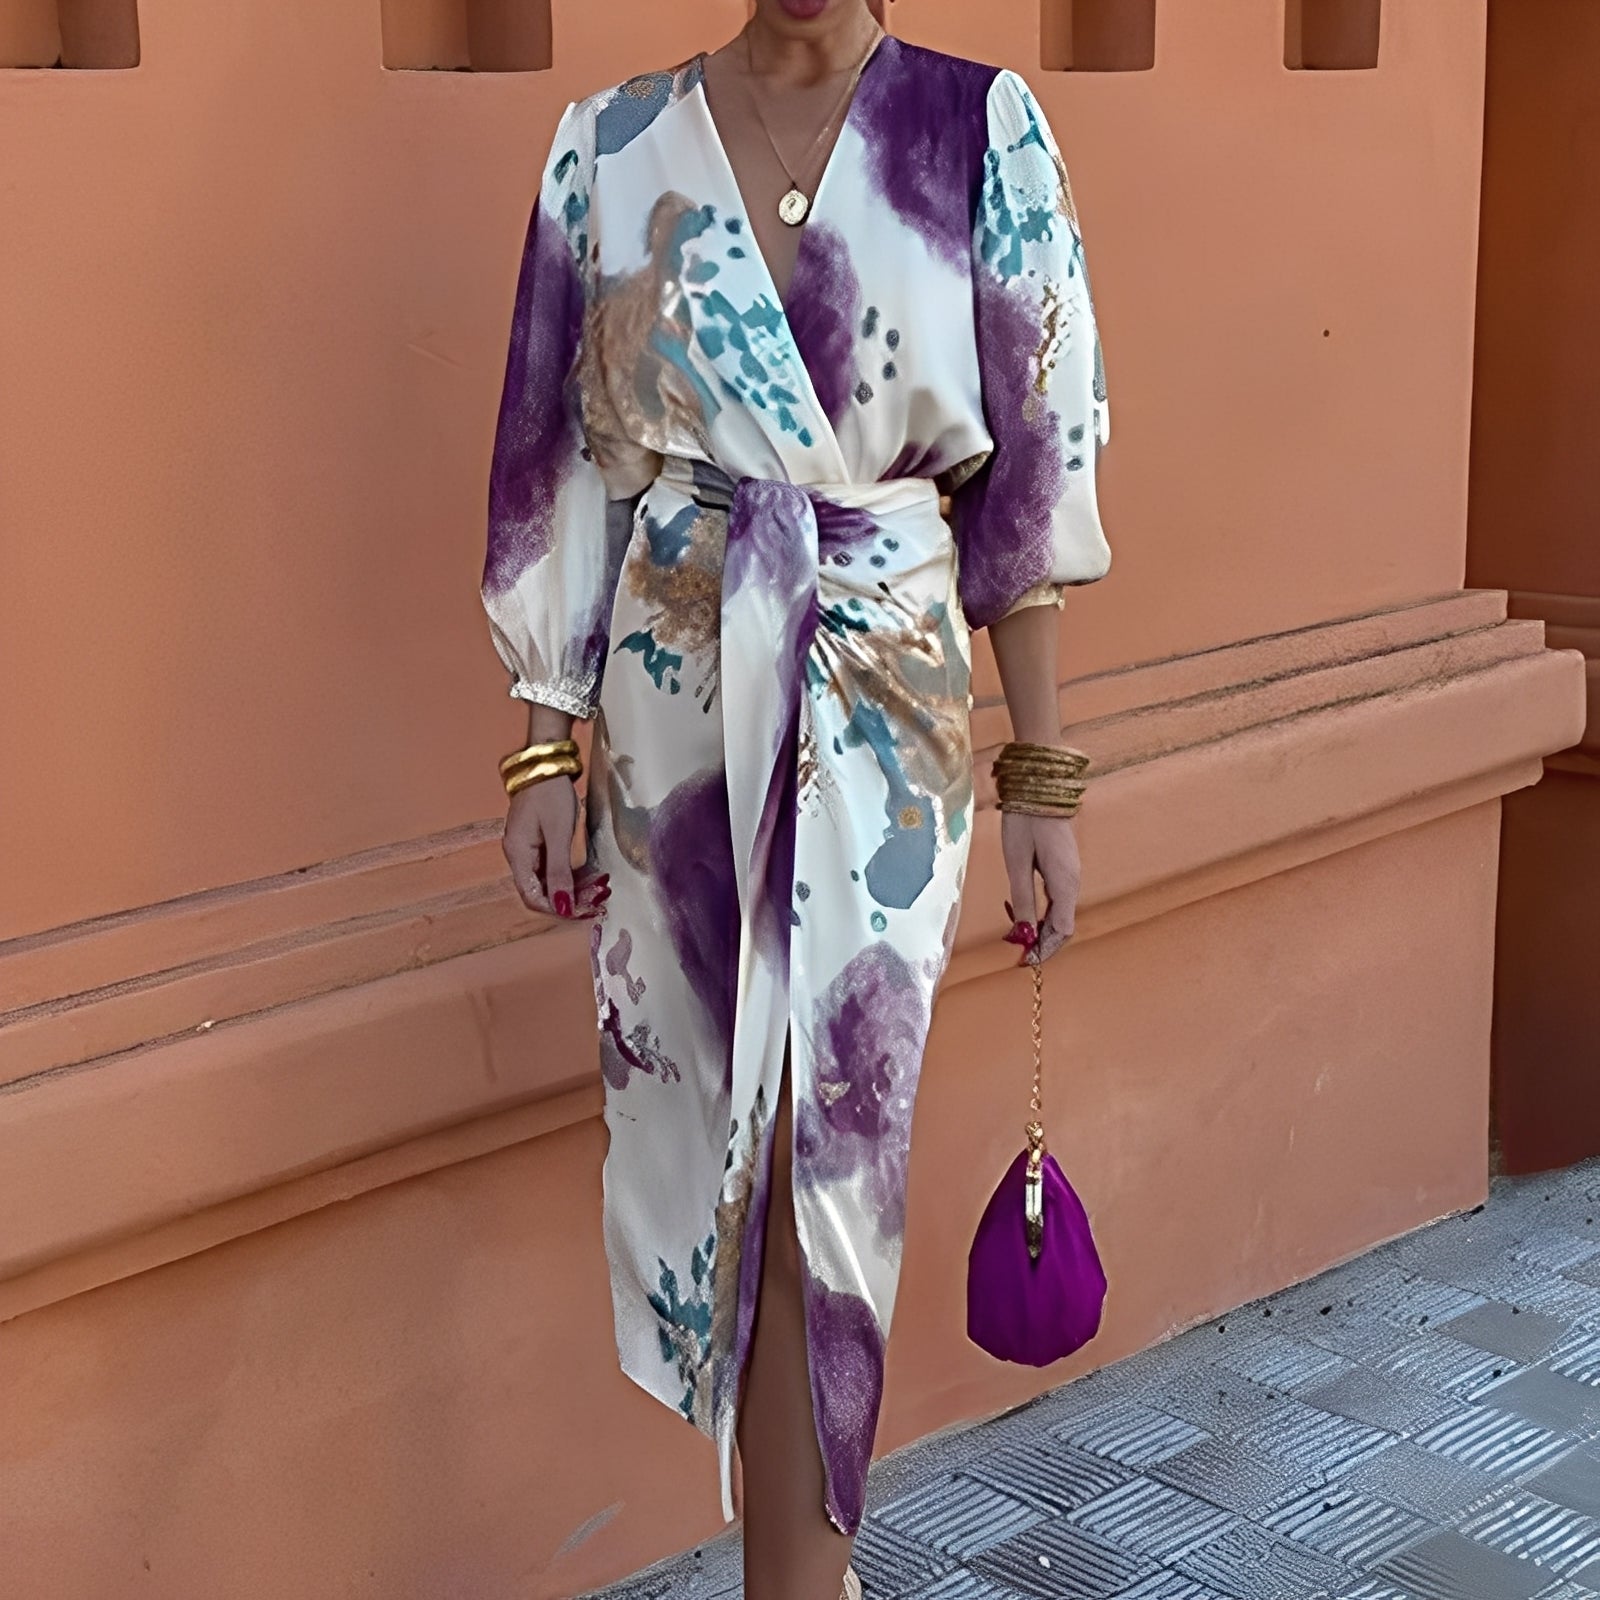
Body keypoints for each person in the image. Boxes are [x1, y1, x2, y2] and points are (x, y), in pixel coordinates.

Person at [480, 0, 1110, 1594]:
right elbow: (559, 459)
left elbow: (1030, 473)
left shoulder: (979, 133)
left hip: (888, 706)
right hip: (677, 705)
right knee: (723, 1151)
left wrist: (1040, 773)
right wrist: (547, 733)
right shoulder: (613, 147)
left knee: (827, 1157)